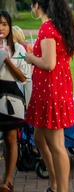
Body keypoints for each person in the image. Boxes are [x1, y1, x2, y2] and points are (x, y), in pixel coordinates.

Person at [24, 0, 74, 192]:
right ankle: (54, 182)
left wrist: (30, 57)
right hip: (52, 89)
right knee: (39, 138)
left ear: (37, 5)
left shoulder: (47, 29)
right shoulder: (58, 26)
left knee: (56, 144)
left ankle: (60, 188)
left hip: (51, 90)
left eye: (32, 4)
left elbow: (49, 63)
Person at [0, 11, 31, 192]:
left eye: (4, 24)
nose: (1, 27)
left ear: (9, 26)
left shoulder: (18, 50)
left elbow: (23, 78)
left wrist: (7, 61)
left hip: (10, 96)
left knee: (11, 138)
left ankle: (7, 179)